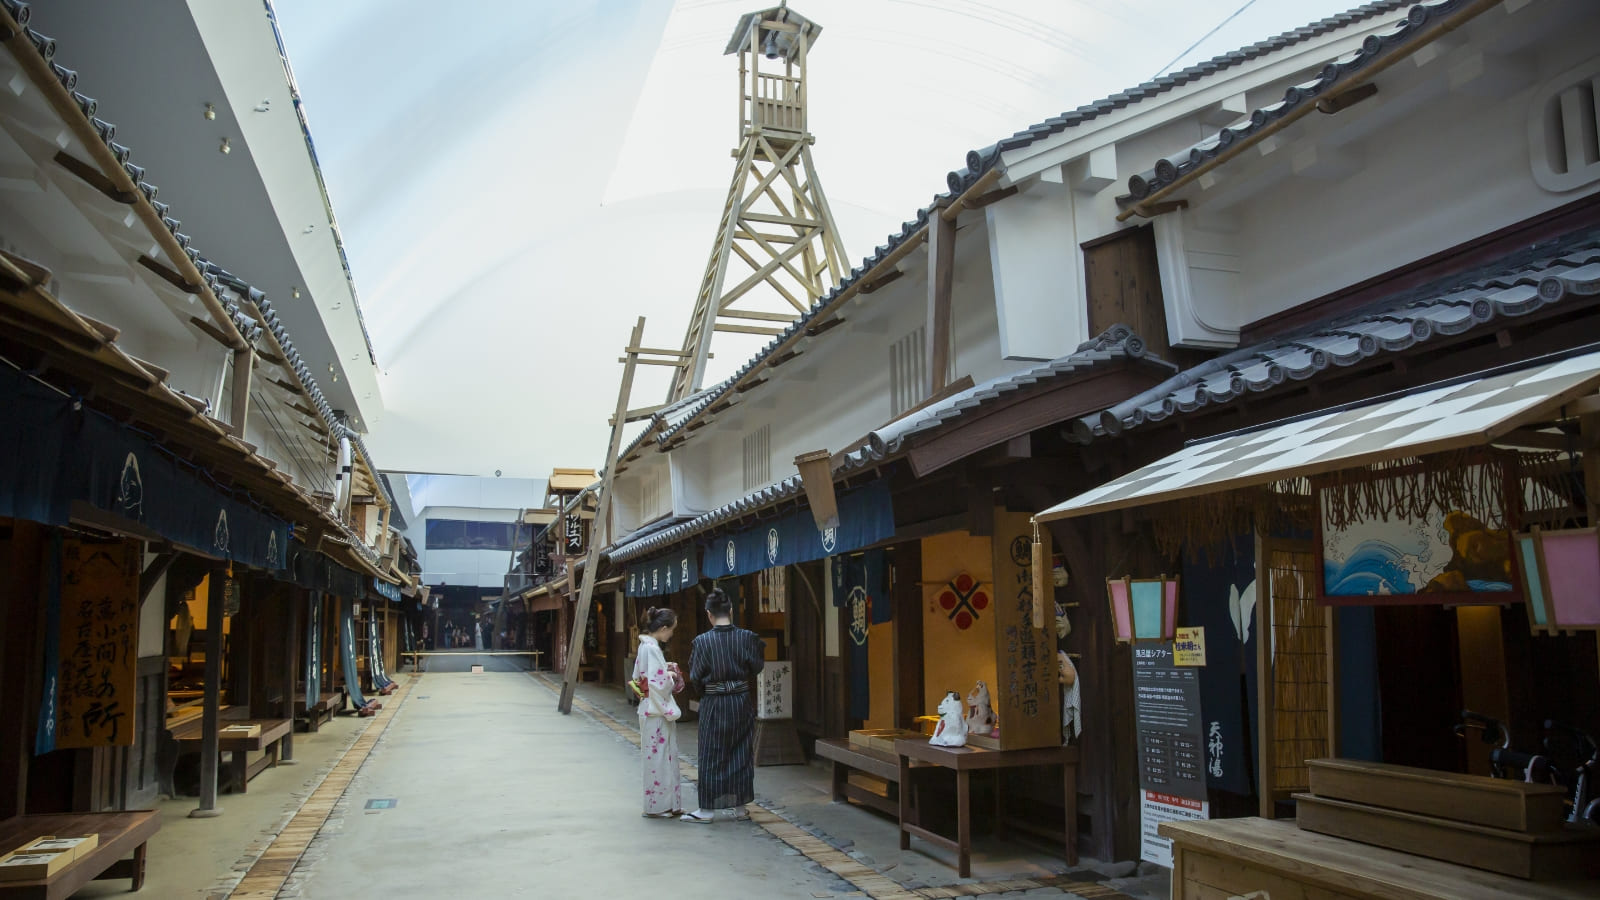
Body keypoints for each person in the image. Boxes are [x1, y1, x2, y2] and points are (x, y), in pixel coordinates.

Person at [681, 588, 764, 823]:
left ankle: (707, 810)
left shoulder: (702, 642)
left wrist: (705, 692)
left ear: (709, 614)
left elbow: (696, 676)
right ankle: (739, 807)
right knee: (741, 751)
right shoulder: (747, 637)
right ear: (731, 611)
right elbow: (757, 666)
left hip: (714, 701)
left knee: (711, 752)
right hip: (740, 699)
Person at [633, 606, 685, 818]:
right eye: (671, 630)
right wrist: (670, 676)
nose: (671, 634)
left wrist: (665, 670)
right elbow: (657, 683)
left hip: (650, 708)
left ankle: (664, 804)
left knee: (659, 757)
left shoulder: (645, 646)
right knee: (661, 759)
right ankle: (659, 806)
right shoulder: (652, 649)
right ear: (663, 628)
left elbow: (640, 678)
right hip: (656, 711)